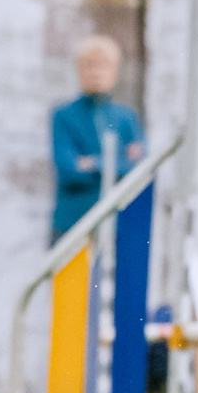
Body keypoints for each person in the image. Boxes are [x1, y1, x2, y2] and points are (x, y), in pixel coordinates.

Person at [50, 35, 144, 240]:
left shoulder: (126, 118)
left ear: (115, 71)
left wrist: (93, 163)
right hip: (73, 225)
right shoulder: (63, 116)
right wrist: (117, 165)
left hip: (118, 225)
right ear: (78, 69)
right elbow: (69, 170)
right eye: (89, 65)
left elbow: (138, 170)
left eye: (104, 65)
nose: (96, 72)